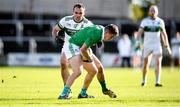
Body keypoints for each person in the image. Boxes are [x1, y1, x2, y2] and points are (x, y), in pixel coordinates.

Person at [52, 3, 117, 99]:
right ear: (73, 12)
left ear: (84, 13)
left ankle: (85, 93)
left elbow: (96, 32)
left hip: (82, 46)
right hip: (71, 45)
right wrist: (56, 37)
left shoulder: (89, 23)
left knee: (96, 69)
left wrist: (98, 41)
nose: (78, 15)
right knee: (72, 68)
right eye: (76, 13)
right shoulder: (66, 20)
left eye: (80, 13)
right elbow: (55, 30)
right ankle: (65, 93)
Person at [58, 24, 119, 99]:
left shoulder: (101, 29)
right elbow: (83, 50)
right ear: (107, 33)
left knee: (94, 70)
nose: (111, 38)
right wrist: (88, 59)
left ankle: (83, 94)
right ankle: (63, 94)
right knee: (78, 71)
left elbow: (88, 32)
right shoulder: (96, 34)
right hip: (73, 45)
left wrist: (97, 41)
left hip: (81, 46)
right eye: (112, 36)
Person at [136, 5, 171, 87]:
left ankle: (157, 82)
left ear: (157, 12)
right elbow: (139, 33)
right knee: (145, 64)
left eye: (154, 10)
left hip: (157, 45)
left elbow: (164, 34)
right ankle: (144, 80)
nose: (152, 12)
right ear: (149, 12)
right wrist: (138, 42)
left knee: (158, 63)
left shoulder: (160, 22)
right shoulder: (145, 21)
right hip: (147, 45)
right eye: (151, 10)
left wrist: (167, 46)